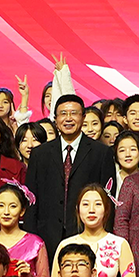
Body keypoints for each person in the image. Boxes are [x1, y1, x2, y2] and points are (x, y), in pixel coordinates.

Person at [31, 94, 120, 249]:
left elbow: (107, 200)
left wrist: (103, 237)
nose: (68, 118)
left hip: (88, 235)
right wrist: (32, 239)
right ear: (55, 119)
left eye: (74, 113)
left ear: (83, 117)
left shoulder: (101, 153)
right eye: (63, 113)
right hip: (46, 236)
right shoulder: (40, 154)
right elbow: (32, 198)